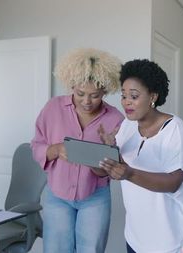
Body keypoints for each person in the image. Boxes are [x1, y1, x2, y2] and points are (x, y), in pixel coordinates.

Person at [99, 59, 183, 253]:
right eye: (123, 95)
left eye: (134, 95)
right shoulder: (127, 126)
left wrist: (129, 173)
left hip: (172, 239)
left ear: (153, 97)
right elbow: (115, 167)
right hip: (137, 236)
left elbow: (174, 182)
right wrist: (105, 150)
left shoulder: (174, 129)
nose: (126, 101)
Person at [31, 48, 124, 253]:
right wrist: (55, 149)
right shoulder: (53, 108)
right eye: (80, 93)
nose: (87, 101)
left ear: (105, 91)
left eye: (95, 96)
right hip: (57, 196)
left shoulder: (115, 118)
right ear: (72, 85)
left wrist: (104, 159)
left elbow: (115, 169)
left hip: (95, 197)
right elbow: (36, 146)